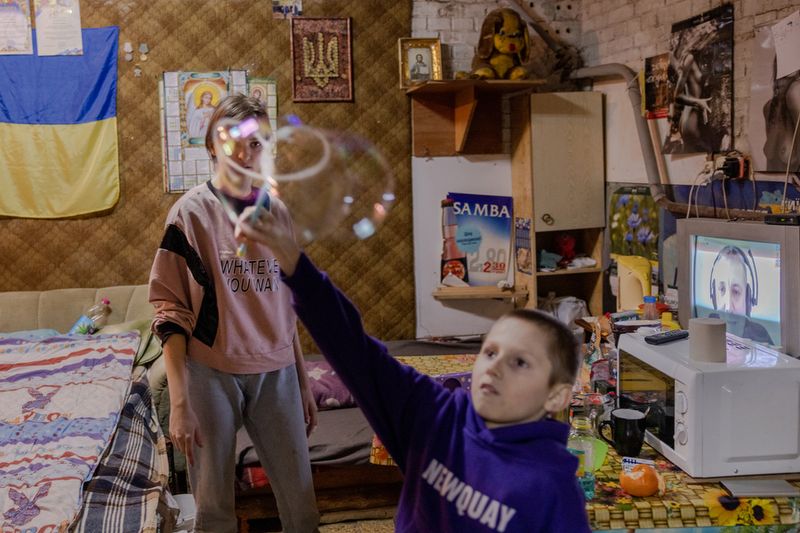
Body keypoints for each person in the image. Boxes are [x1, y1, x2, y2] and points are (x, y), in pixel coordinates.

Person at [234, 208, 591, 532]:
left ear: (556, 395)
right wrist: (292, 260)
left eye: (520, 362)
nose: (495, 367)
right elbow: (353, 348)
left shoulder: (552, 488)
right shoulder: (432, 415)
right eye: (490, 352)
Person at [149, 94, 319, 533]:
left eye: (257, 142)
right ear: (212, 146)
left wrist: (302, 381)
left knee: (301, 507)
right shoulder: (190, 215)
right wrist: (180, 404)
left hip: (277, 372)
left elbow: (287, 302)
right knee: (214, 510)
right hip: (211, 374)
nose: (246, 153)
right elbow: (170, 313)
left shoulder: (277, 212)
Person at [709, 245, 773, 344]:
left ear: (748, 298)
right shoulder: (704, 329)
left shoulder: (761, 336)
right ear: (714, 296)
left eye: (736, 292)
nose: (728, 308)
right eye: (722, 289)